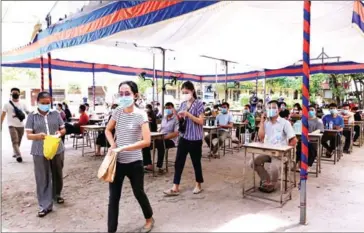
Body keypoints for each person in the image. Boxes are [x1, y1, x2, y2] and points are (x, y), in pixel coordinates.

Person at [105, 81, 154, 233]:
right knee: (113, 199)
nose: (124, 96)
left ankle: (149, 218)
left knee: (138, 193)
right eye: (121, 94)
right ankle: (111, 230)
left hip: (135, 162)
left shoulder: (141, 115)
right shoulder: (118, 111)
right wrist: (113, 144)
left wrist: (124, 147)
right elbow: (108, 130)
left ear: (135, 95)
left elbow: (147, 141)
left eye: (127, 93)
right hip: (117, 162)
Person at [25, 91, 66, 217]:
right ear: (37, 102)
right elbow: (28, 135)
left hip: (56, 148)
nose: (46, 105)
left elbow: (63, 129)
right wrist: (38, 136)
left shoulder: (56, 114)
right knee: (42, 177)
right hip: (39, 150)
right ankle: (45, 205)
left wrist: (59, 134)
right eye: (43, 103)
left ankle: (56, 195)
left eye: (48, 103)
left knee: (57, 173)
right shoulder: (32, 116)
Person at [164, 81, 205, 196]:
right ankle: (175, 186)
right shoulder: (182, 104)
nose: (185, 94)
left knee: (196, 162)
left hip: (195, 139)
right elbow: (181, 121)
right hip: (184, 137)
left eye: (186, 92)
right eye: (183, 92)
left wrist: (189, 115)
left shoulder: (199, 104)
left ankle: (198, 184)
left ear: (192, 91)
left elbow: (201, 121)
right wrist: (177, 115)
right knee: (179, 162)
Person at [255, 100, 297, 192]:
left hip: (280, 153)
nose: (271, 109)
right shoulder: (266, 123)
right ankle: (266, 180)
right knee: (254, 162)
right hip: (268, 151)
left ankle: (273, 184)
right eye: (269, 108)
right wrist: (262, 121)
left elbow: (294, 140)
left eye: (273, 108)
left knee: (273, 167)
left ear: (278, 110)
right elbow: (261, 137)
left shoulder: (285, 123)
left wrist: (286, 151)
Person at [143, 102, 179, 174]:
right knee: (145, 143)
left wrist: (163, 137)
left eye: (169, 108)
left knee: (160, 143)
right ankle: (148, 164)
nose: (167, 109)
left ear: (173, 109)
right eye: (166, 108)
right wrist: (158, 134)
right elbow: (161, 129)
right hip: (160, 137)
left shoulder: (176, 119)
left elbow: (176, 133)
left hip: (171, 140)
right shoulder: (164, 118)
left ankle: (160, 166)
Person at [1, 87, 30, 162]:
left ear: (19, 94)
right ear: (11, 94)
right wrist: (0, 123)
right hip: (11, 125)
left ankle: (15, 151)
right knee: (15, 140)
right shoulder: (7, 104)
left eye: (16, 93)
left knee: (19, 141)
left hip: (21, 125)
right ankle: (18, 155)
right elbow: (3, 115)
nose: (15, 94)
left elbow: (27, 112)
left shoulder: (22, 103)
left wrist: (33, 115)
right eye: (13, 93)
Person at [295, 105, 324, 171]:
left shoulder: (318, 120)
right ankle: (299, 163)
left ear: (315, 111)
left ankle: (308, 165)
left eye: (312, 110)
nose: (310, 111)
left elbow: (319, 130)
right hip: (303, 140)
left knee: (311, 149)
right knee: (299, 147)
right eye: (309, 110)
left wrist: (310, 134)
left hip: (314, 140)